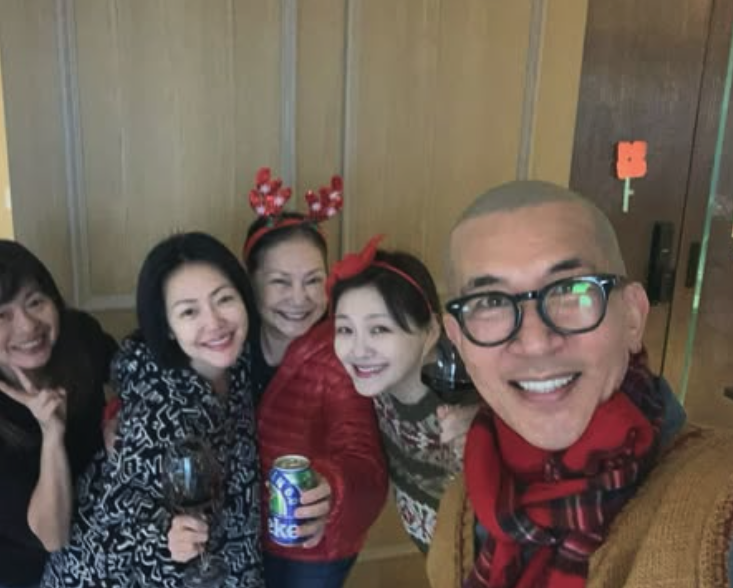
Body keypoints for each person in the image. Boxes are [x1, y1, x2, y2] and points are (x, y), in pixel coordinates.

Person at [427, 180, 733, 588]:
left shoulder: (720, 508)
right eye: (492, 302)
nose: (536, 342)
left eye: (570, 290)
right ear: (459, 341)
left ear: (632, 318)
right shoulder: (460, 506)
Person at [42, 232, 263, 587]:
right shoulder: (159, 412)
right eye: (189, 311)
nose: (214, 322)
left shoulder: (237, 364)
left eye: (224, 299)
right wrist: (165, 540)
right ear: (169, 328)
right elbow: (118, 525)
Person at [243, 168, 388, 588]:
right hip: (246, 529)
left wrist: (332, 489)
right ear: (250, 283)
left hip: (314, 545)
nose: (299, 298)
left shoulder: (339, 354)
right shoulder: (232, 341)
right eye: (280, 282)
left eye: (313, 280)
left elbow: (364, 458)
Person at [0, 240, 116, 588]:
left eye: (35, 302)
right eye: (1, 315)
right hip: (6, 560)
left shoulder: (79, 336)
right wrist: (52, 435)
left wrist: (118, 412)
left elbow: (128, 370)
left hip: (85, 526)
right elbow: (52, 537)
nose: (28, 326)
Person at [328, 236, 477, 554]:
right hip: (437, 559)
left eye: (379, 329)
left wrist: (490, 430)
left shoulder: (467, 409)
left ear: (431, 330)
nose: (358, 350)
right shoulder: (375, 387)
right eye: (345, 329)